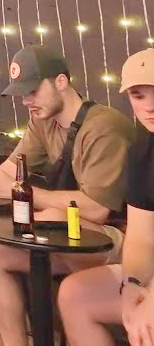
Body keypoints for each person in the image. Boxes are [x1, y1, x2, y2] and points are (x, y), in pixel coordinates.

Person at [0, 46, 135, 344]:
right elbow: (8, 175)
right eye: (21, 94)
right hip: (67, 234)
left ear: (61, 82)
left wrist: (25, 194)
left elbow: (97, 209)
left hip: (116, 237)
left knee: (48, 218)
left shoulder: (103, 127)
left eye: (33, 91)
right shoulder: (43, 122)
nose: (26, 101)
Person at [60, 49, 154, 346]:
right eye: (138, 96)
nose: (150, 106)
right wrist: (132, 286)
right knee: (76, 295)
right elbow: (141, 238)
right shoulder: (143, 150)